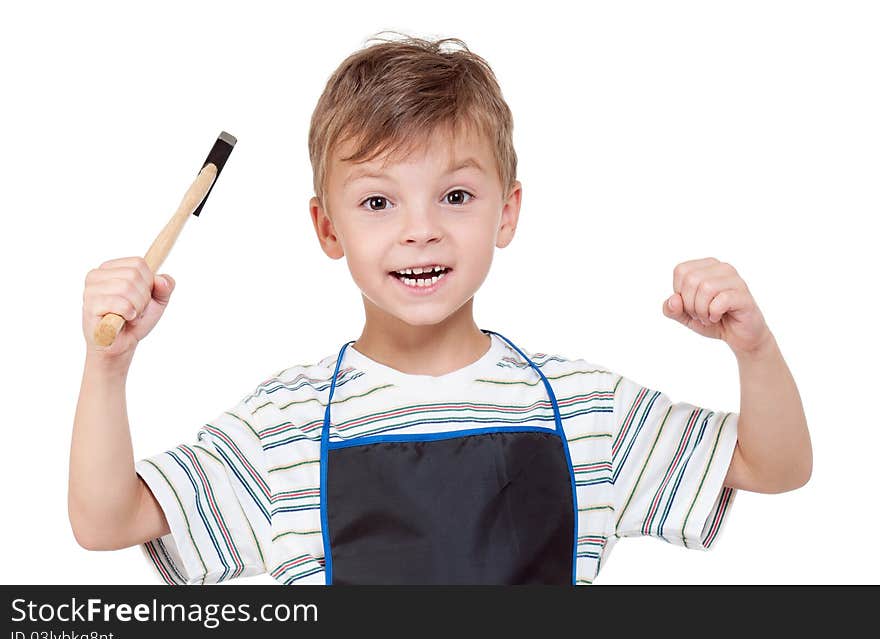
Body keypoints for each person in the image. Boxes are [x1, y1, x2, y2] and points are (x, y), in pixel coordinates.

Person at [69, 32, 812, 585]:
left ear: (507, 212)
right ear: (328, 228)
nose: (419, 227)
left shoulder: (584, 406)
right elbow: (106, 521)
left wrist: (755, 348)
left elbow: (773, 465)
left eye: (455, 195)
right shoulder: (282, 425)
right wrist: (109, 366)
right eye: (378, 201)